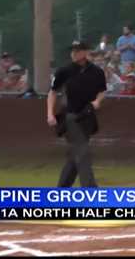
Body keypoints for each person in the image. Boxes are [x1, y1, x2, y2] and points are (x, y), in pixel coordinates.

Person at [47, 41, 107, 187]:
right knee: (83, 151)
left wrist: (98, 101)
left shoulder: (97, 72)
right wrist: (50, 113)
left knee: (76, 155)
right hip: (71, 116)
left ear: (86, 52)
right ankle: (90, 189)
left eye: (78, 50)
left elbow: (102, 91)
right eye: (72, 50)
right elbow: (53, 92)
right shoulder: (64, 71)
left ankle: (62, 189)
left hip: (88, 116)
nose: (74, 53)